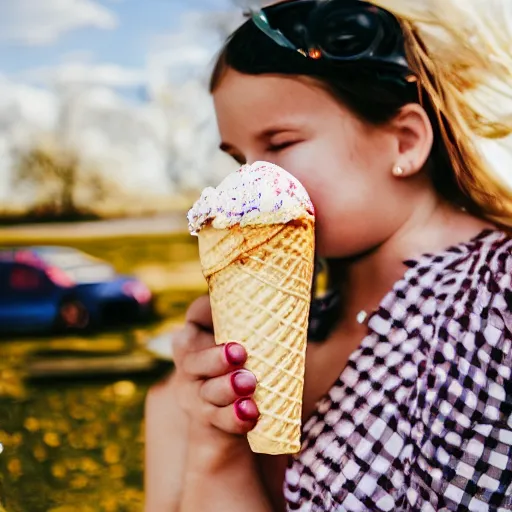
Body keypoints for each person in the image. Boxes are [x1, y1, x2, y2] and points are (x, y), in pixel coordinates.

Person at [144, 1, 512, 510]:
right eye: (238, 158)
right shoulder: (290, 332)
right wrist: (214, 445)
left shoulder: (498, 297)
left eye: (280, 143)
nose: (248, 180)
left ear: (404, 141)